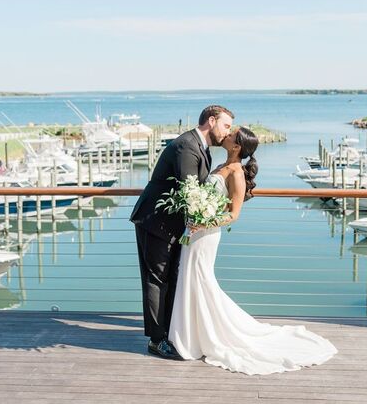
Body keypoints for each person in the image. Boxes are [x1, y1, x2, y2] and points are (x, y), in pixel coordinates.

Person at [168, 127, 338, 374]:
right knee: (190, 279)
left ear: (236, 146)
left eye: (231, 135)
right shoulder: (220, 164)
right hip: (195, 231)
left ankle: (204, 336)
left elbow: (234, 215)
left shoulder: (236, 172)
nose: (225, 135)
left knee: (201, 279)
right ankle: (190, 334)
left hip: (206, 234)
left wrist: (205, 221)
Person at [130, 105, 234, 359]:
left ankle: (170, 332)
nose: (227, 132)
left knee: (171, 279)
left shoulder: (202, 147)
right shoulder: (186, 146)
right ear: (211, 121)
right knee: (157, 280)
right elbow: (191, 192)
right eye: (226, 126)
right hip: (156, 221)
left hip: (173, 224)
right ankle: (156, 340)